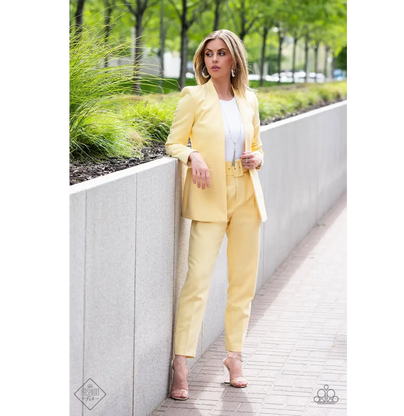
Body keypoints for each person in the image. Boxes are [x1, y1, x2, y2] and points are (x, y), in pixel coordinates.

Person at [165, 29, 267, 401]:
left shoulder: (249, 99)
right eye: (209, 53)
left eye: (222, 53)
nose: (214, 59)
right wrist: (192, 155)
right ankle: (181, 362)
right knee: (198, 281)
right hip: (209, 195)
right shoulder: (194, 97)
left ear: (234, 59)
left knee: (243, 282)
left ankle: (234, 357)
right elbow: (174, 141)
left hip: (245, 194)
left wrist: (258, 157)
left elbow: (257, 145)